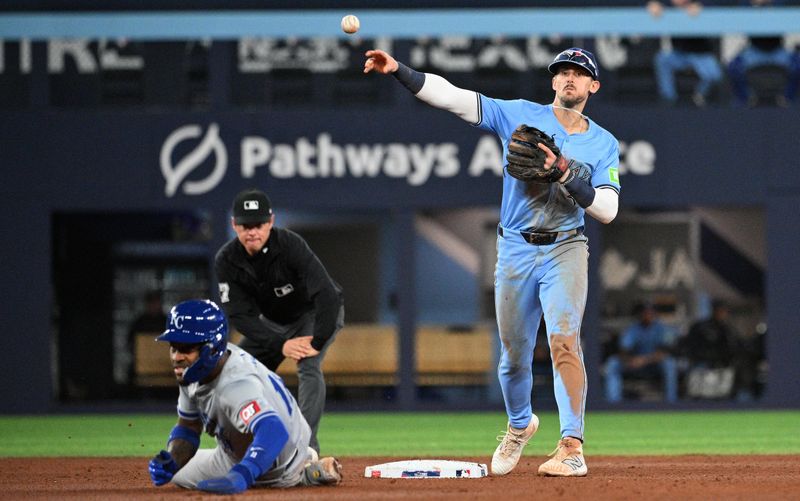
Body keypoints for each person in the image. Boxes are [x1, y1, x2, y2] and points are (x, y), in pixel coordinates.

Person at [364, 46, 621, 477]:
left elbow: (608, 210)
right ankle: (520, 425)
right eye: (562, 72)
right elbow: (452, 96)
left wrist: (564, 172)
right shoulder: (519, 114)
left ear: (593, 86)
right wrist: (399, 72)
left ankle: (572, 445)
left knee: (563, 341)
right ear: (553, 81)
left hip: (565, 247)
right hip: (516, 248)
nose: (569, 78)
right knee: (513, 356)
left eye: (579, 73)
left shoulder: (604, 142)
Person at [147, 299, 342, 494]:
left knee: (245, 476)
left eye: (186, 348)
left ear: (212, 347)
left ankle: (302, 475)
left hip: (276, 460)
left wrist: (243, 473)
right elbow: (189, 426)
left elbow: (274, 430)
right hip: (246, 450)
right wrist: (173, 460)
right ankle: (304, 462)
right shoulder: (196, 370)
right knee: (178, 474)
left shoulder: (236, 384)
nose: (176, 357)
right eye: (173, 347)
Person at [214, 188, 344, 455]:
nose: (252, 231)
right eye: (245, 225)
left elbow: (327, 295)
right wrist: (280, 344)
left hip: (313, 314)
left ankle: (304, 450)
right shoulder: (226, 260)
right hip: (274, 323)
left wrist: (318, 341)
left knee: (308, 364)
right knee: (235, 370)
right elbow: (240, 316)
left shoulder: (290, 245)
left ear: (271, 222)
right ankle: (240, 446)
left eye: (258, 224)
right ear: (234, 225)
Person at [648, 1, 724, 106]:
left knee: (715, 75)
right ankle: (669, 98)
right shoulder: (670, 8)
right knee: (662, 59)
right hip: (680, 54)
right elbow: (655, 6)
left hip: (701, 53)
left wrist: (700, 6)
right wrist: (655, 5)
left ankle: (699, 95)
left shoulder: (699, 4)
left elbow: (717, 5)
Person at [728, 0, 800, 107]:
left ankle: (787, 98)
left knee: (797, 64)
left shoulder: (781, 3)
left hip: (777, 49)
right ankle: (747, 100)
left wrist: (771, 3)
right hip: (754, 50)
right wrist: (753, 4)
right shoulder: (745, 4)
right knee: (733, 67)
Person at [604, 301, 678, 403]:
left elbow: (664, 353)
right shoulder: (634, 329)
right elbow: (623, 351)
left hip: (654, 365)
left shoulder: (661, 328)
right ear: (640, 314)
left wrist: (644, 360)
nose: (648, 315)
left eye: (651, 312)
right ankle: (613, 403)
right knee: (613, 363)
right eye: (645, 312)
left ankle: (671, 403)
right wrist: (631, 360)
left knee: (669, 363)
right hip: (634, 364)